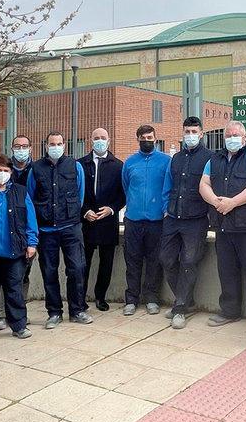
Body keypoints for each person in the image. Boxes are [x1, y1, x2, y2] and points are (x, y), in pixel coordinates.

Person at [200, 120, 246, 335]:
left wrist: (232, 202)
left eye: (235, 135)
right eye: (228, 135)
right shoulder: (215, 159)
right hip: (223, 226)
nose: (231, 139)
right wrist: (216, 202)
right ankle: (229, 311)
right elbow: (203, 184)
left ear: (244, 137)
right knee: (226, 271)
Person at [27, 131, 93, 327]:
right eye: (51, 144)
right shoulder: (35, 169)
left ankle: (77, 310)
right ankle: (54, 312)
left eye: (59, 143)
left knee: (77, 269)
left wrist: (71, 214)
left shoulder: (75, 166)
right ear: (46, 146)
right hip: (46, 231)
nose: (55, 147)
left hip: (71, 228)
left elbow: (80, 195)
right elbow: (30, 197)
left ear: (65, 145)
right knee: (49, 272)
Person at [0, 154, 39, 342]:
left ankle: (19, 325)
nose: (2, 174)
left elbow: (30, 219)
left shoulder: (20, 192)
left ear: (11, 172)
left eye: (6, 171)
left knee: (14, 289)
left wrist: (32, 242)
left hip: (15, 251)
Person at [160, 116, 213, 329]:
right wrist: (165, 209)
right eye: (187, 132)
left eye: (194, 132)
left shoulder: (210, 158)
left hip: (196, 219)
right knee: (165, 259)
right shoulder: (176, 158)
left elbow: (213, 187)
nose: (190, 136)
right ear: (182, 133)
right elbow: (168, 185)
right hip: (173, 217)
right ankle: (186, 300)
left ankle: (180, 307)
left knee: (189, 261)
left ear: (201, 134)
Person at [121, 124, 172, 315]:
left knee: (154, 261)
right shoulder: (130, 162)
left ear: (155, 138)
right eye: (143, 138)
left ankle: (151, 298)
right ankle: (131, 300)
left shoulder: (166, 161)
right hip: (133, 220)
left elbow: (169, 187)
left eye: (150, 138)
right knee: (132, 261)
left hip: (157, 221)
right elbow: (126, 186)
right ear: (138, 140)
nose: (147, 141)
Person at [80, 127, 125, 311]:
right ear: (91, 141)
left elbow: (123, 194)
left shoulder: (118, 165)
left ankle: (100, 297)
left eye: (103, 138)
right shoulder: (81, 165)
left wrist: (112, 209)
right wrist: (84, 211)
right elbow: (75, 194)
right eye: (96, 138)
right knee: (83, 263)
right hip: (86, 222)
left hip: (108, 222)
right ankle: (80, 298)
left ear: (109, 141)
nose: (99, 140)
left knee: (106, 263)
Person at [0, 135, 36, 331]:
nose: (21, 149)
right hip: (5, 232)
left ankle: (20, 312)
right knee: (4, 276)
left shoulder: (36, 169)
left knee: (23, 274)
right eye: (17, 146)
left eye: (25, 146)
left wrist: (33, 238)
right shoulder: (3, 168)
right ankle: (3, 314)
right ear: (12, 148)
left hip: (26, 232)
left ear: (30, 148)